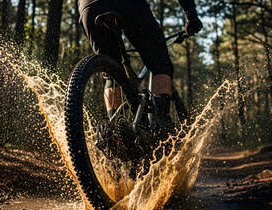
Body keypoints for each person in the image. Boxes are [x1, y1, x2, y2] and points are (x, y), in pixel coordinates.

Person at [78, 0, 203, 135]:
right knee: (160, 63)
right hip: (130, 6)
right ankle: (162, 122)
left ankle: (115, 130)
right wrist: (192, 17)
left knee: (112, 70)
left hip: (89, 8)